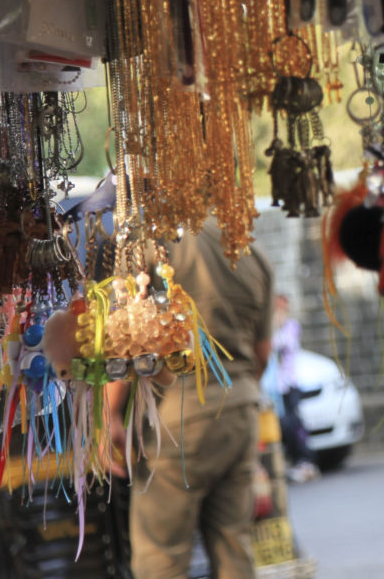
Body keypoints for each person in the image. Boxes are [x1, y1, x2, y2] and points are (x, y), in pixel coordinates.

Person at [104, 218, 273, 579]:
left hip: (180, 417)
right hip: (241, 411)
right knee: (234, 546)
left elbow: (125, 337)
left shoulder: (152, 242)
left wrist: (110, 415)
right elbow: (263, 354)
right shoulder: (251, 251)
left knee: (161, 557)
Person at [266, 293, 320, 484]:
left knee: (293, 424)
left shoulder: (290, 327)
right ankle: (295, 461)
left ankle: (305, 461)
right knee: (281, 426)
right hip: (275, 388)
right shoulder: (270, 329)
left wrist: (275, 325)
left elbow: (281, 345)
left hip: (289, 385)